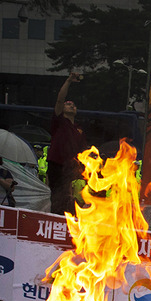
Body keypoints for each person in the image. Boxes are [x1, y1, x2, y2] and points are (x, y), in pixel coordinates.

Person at [50, 72, 89, 214]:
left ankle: (65, 220)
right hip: (56, 163)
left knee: (68, 196)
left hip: (70, 167)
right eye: (68, 104)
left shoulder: (78, 129)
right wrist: (68, 81)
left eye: (73, 105)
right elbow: (60, 100)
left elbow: (83, 151)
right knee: (56, 196)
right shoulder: (59, 121)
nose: (70, 105)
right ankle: (54, 220)